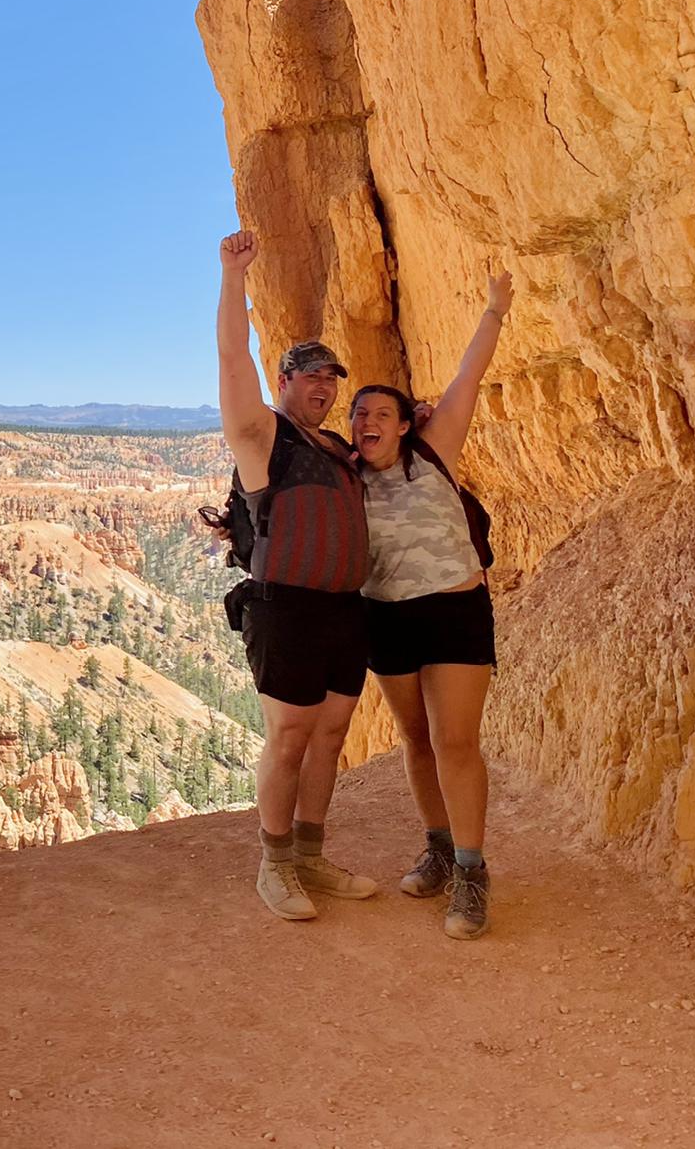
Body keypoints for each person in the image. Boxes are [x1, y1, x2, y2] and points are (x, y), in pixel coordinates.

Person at [215, 230, 377, 922]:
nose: (323, 384)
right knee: (289, 737)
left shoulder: (339, 448)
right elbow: (231, 358)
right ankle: (275, 863)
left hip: (345, 610)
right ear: (283, 384)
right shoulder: (262, 437)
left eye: (331, 376)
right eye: (310, 374)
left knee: (332, 737)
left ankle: (311, 856)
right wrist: (234, 278)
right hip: (285, 609)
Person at [349, 269, 512, 940]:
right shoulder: (343, 476)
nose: (368, 421)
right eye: (359, 413)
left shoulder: (433, 452)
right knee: (416, 739)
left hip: (453, 613)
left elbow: (469, 379)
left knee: (455, 740)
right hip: (386, 617)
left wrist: (495, 309)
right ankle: (440, 849)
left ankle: (472, 873)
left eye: (381, 412)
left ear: (405, 422)